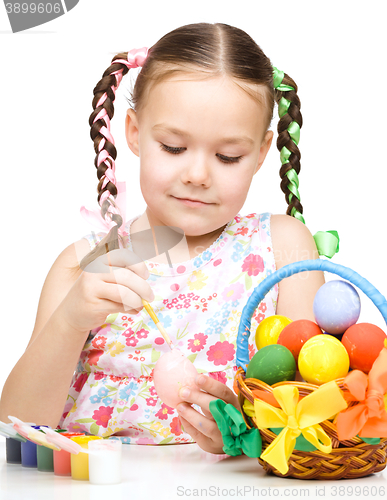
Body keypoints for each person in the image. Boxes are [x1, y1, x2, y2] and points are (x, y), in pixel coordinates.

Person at [0, 22, 326, 454]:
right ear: (134, 133)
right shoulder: (84, 265)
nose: (197, 175)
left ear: (263, 152)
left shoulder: (282, 249)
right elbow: (15, 428)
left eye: (228, 156)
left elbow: (315, 417)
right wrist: (69, 320)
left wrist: (247, 434)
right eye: (173, 147)